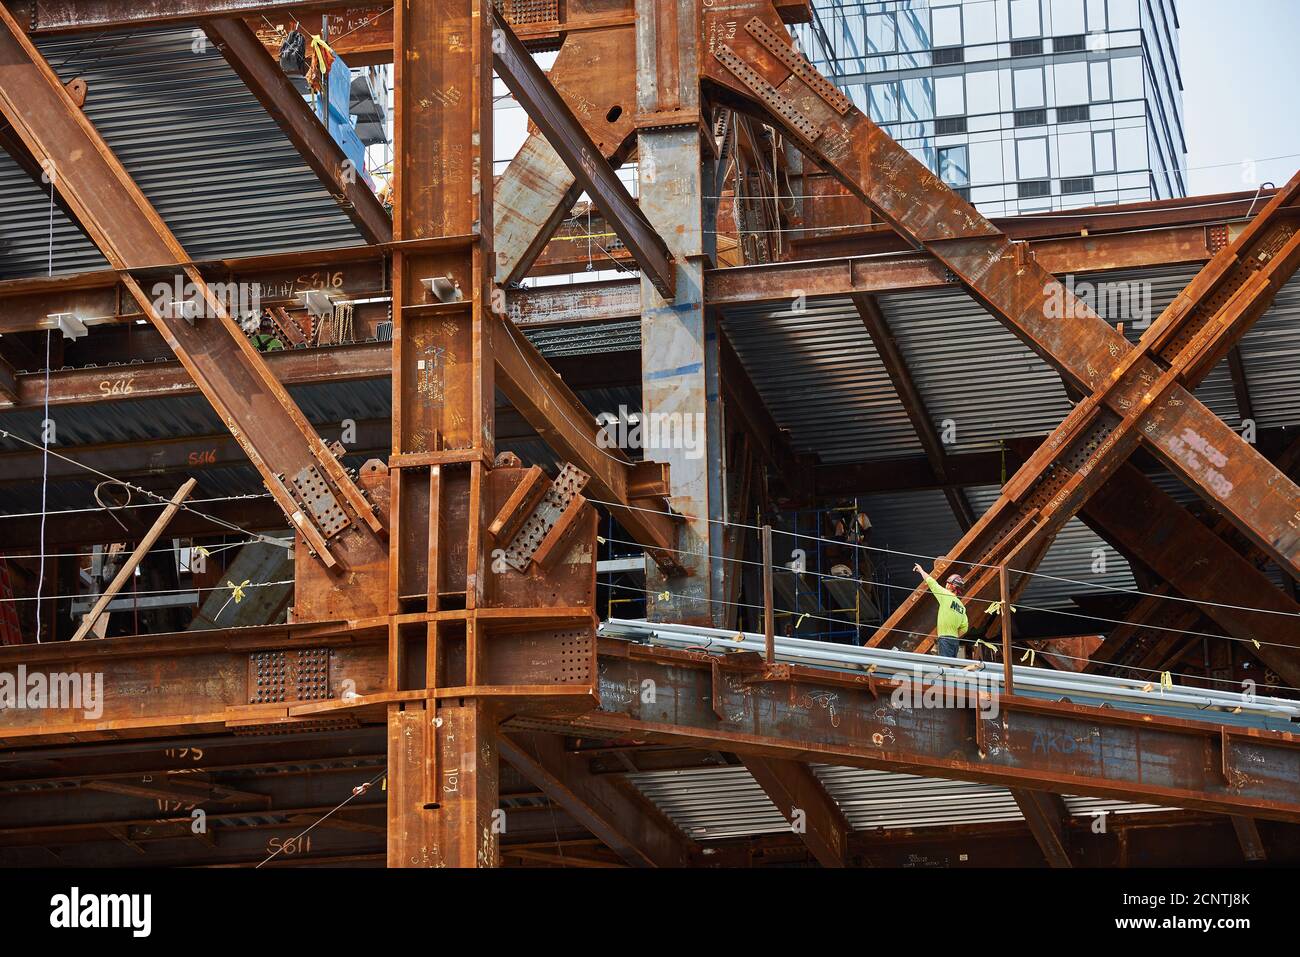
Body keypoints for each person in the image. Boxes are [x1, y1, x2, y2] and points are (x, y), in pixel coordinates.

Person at [912, 563, 968, 658]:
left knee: (945, 667)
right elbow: (964, 628)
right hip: (955, 642)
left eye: (948, 583)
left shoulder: (946, 595)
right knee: (951, 667)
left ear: (952, 586)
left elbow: (931, 582)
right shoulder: (962, 607)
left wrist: (921, 570)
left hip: (945, 639)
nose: (946, 585)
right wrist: (954, 636)